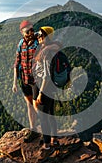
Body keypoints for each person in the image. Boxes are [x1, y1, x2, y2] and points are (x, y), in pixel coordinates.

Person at [33, 26, 60, 160]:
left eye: (40, 35)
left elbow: (46, 76)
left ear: (47, 37)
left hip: (44, 87)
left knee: (43, 116)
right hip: (49, 88)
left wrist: (40, 93)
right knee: (50, 114)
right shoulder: (47, 48)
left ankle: (47, 145)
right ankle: (54, 140)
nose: (38, 37)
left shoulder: (47, 52)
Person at [12, 20, 39, 142]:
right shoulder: (21, 44)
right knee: (29, 105)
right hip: (24, 79)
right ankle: (33, 129)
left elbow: (52, 41)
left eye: (32, 29)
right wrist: (14, 83)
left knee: (37, 105)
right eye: (28, 31)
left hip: (36, 80)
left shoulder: (38, 41)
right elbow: (17, 63)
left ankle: (44, 130)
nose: (31, 32)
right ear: (22, 32)